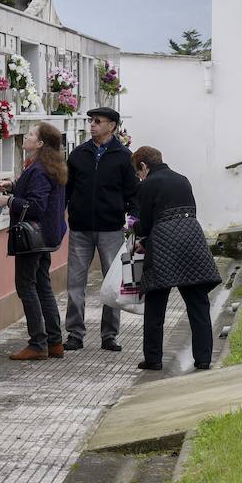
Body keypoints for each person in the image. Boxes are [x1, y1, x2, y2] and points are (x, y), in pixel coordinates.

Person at [130, 146, 221, 371]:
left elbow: (148, 222)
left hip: (163, 246)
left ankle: (153, 358)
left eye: (138, 171)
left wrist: (138, 234)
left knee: (156, 303)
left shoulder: (148, 184)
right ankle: (203, 358)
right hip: (192, 240)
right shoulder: (183, 180)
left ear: (143, 166)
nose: (139, 176)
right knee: (198, 303)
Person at [64, 106, 138, 351]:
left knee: (112, 282)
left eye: (97, 121)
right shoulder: (78, 154)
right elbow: (67, 190)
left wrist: (131, 220)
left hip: (110, 229)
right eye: (91, 121)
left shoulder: (124, 156)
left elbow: (133, 193)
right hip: (80, 229)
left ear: (112, 126)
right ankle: (75, 333)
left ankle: (109, 335)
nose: (92, 125)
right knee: (75, 283)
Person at [0, 123, 68, 360]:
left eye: (32, 134)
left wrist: (8, 201)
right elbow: (37, 192)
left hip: (33, 237)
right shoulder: (46, 166)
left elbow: (36, 206)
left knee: (26, 286)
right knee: (43, 285)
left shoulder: (38, 169)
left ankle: (38, 343)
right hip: (46, 236)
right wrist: (14, 185)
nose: (26, 136)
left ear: (40, 144)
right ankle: (55, 342)